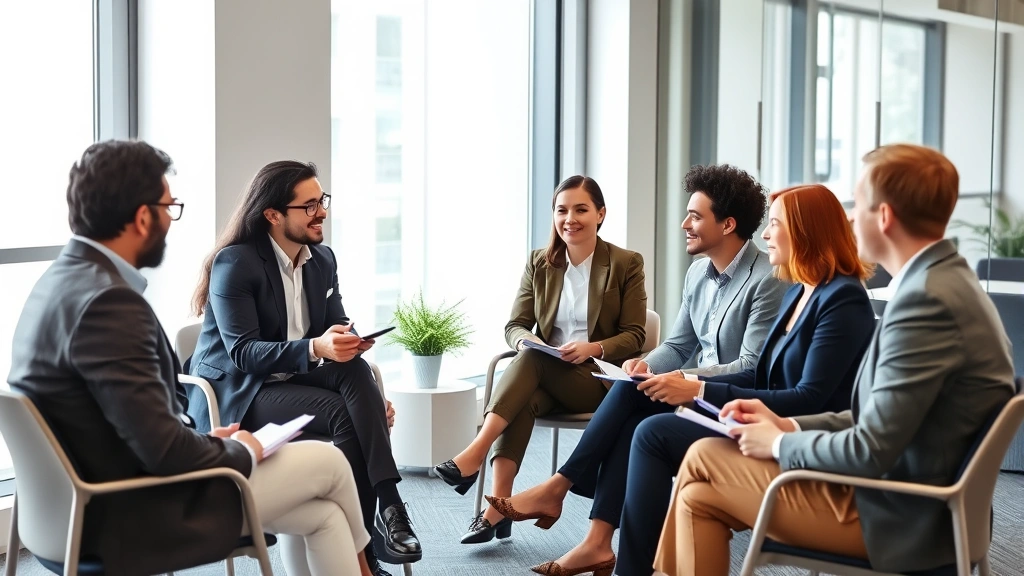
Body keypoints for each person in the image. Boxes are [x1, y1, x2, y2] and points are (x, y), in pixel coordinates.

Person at [7, 140, 373, 576]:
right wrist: (237, 449)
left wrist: (206, 439)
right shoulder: (110, 305)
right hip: (132, 511)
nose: (169, 220)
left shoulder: (57, 283)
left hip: (67, 512)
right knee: (328, 463)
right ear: (143, 217)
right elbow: (164, 452)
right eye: (169, 206)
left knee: (324, 515)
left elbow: (129, 423)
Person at [654, 144, 1016, 576]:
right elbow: (879, 419)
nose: (847, 219)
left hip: (903, 515)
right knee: (698, 489)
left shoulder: (926, 302)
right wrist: (787, 425)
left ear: (883, 217)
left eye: (857, 205)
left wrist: (779, 443)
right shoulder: (943, 281)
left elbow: (870, 447)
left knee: (704, 459)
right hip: (906, 493)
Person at [488, 183, 875, 575]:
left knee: (649, 431)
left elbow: (793, 389)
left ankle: (569, 498)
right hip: (741, 402)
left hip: (778, 424)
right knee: (636, 405)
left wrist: (694, 385)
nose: (768, 233)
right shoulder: (798, 292)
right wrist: (645, 366)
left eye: (776, 225)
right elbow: (683, 344)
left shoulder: (826, 296)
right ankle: (596, 540)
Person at [187, 160, 417, 576]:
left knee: (354, 378)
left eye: (322, 200)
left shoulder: (322, 260)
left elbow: (337, 334)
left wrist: (360, 373)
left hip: (295, 376)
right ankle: (367, 551)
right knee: (343, 414)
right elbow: (243, 352)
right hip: (243, 390)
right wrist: (316, 346)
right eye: (309, 205)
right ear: (273, 215)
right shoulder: (236, 263)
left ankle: (387, 512)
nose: (322, 212)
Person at [431, 175, 647, 543]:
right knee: (527, 375)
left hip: (596, 381)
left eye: (581, 209)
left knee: (532, 362)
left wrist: (591, 348)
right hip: (547, 375)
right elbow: (515, 325)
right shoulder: (540, 262)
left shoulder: (625, 263)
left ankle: (475, 454)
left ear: (601, 214)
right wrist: (526, 340)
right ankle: (499, 507)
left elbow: (635, 334)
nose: (570, 219)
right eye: (561, 210)